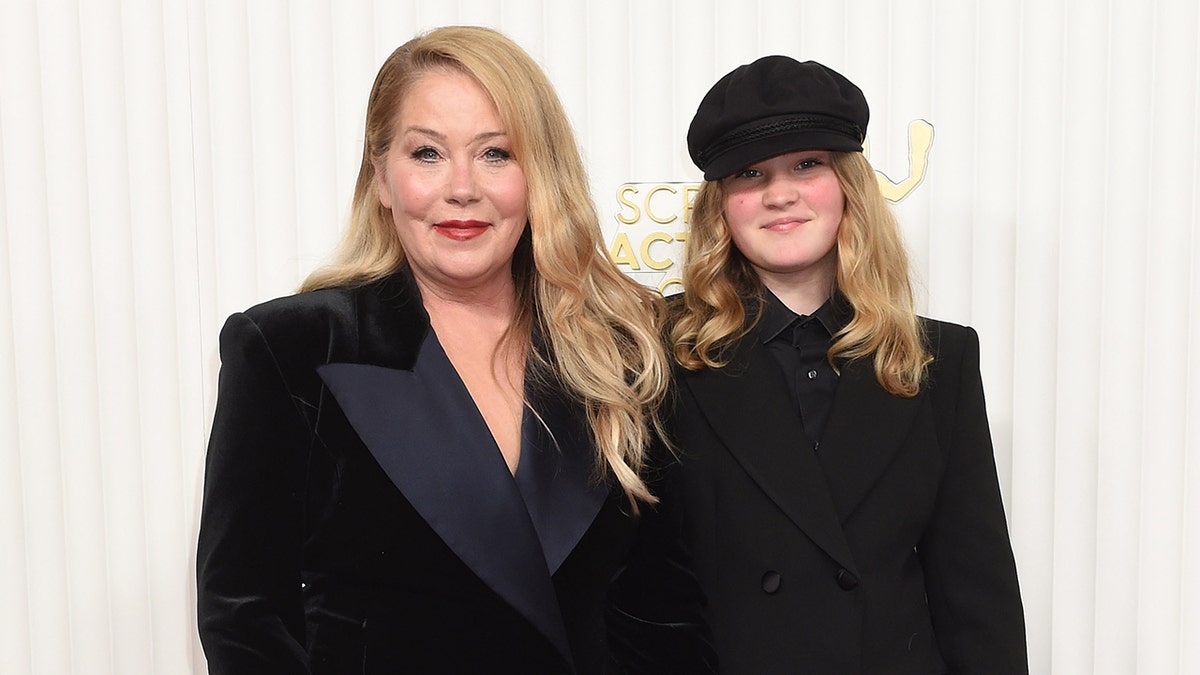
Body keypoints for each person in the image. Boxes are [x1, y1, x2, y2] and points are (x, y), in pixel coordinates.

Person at [195, 26, 690, 674]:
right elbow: (246, 619)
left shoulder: (626, 348)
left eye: (495, 153)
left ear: (540, 174)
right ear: (381, 178)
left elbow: (665, 614)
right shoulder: (289, 349)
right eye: (427, 153)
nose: (462, 187)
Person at [634, 55, 1029, 673]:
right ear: (721, 205)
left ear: (849, 185)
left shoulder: (936, 361)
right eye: (750, 172)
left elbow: (977, 599)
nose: (779, 193)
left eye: (807, 164)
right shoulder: (658, 351)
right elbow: (635, 591)